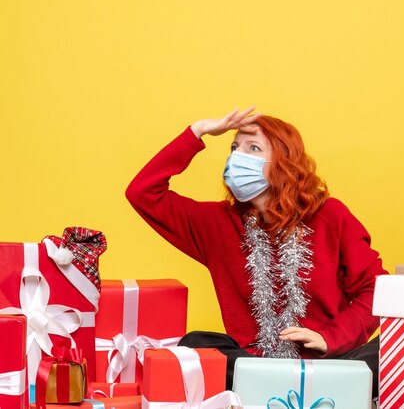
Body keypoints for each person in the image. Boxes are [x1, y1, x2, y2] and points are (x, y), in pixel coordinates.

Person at [125, 106, 388, 396]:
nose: (238, 157)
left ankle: (296, 388)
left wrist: (330, 338)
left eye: (253, 148)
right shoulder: (217, 224)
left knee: (393, 348)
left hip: (329, 363)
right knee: (195, 344)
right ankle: (300, 391)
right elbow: (143, 193)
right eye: (234, 147)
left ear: (285, 162)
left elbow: (376, 291)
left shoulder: (330, 216)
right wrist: (197, 131)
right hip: (252, 364)